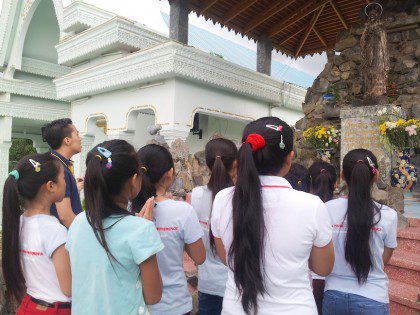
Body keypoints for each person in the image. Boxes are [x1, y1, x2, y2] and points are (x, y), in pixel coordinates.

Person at [211, 117, 335, 315]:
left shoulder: (222, 200)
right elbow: (323, 268)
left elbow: (227, 258)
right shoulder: (311, 206)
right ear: (289, 158)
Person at [66, 140, 164, 315]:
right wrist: (145, 226)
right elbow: (153, 296)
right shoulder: (141, 229)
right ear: (134, 180)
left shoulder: (78, 222)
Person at [133, 144, 205, 315]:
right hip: (174, 304)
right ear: (170, 173)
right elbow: (200, 257)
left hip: (136, 305)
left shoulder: (128, 209)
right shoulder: (182, 211)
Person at [323, 149, 397, 315]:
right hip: (373, 297)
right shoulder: (388, 215)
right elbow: (385, 257)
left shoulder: (326, 209)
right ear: (375, 176)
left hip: (334, 295)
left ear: (342, 175)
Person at [2, 153, 72, 314]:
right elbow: (69, 288)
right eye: (63, 177)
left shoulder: (18, 223)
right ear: (51, 186)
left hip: (29, 305)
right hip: (56, 309)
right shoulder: (54, 231)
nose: (65, 182)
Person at [191, 138, 238, 315]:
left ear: (208, 165)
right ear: (235, 163)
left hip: (208, 284)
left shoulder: (196, 195)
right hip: (235, 286)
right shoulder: (241, 197)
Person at [41, 118, 83, 228]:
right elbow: (65, 216)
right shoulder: (59, 169)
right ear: (67, 140)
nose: (80, 139)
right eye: (77, 135)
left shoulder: (54, 162)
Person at [308, 161, 338, 314]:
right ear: (335, 184)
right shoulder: (340, 210)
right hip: (333, 283)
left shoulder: (305, 209)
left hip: (309, 282)